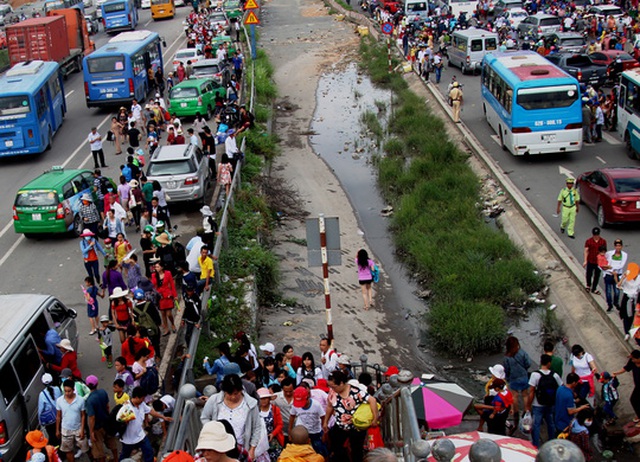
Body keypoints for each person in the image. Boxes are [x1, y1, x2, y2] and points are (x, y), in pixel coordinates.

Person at [200, 374, 263, 460]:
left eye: (236, 393)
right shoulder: (214, 400)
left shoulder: (251, 404)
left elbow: (257, 427)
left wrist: (252, 449)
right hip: (218, 447)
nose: (233, 397)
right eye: (229, 394)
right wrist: (213, 429)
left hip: (240, 447)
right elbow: (204, 417)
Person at [324, 370, 378, 462]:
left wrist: (375, 418)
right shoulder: (332, 392)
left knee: (356, 451)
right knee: (336, 447)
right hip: (340, 426)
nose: (332, 389)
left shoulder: (355, 392)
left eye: (333, 386)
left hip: (355, 428)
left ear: (341, 383)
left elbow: (372, 400)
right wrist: (325, 422)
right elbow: (330, 406)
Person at [120, 386, 172, 461]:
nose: (143, 400)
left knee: (149, 452)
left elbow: (150, 411)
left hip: (140, 435)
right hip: (129, 439)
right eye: (142, 398)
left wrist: (163, 417)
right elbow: (121, 421)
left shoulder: (141, 404)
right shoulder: (126, 407)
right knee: (124, 456)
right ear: (137, 397)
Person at [525, 355, 562, 448]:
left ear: (541, 362)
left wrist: (528, 405)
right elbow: (561, 388)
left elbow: (531, 392)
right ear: (549, 363)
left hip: (537, 404)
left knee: (536, 425)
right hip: (550, 404)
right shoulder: (555, 375)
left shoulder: (535, 375)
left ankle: (535, 446)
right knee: (550, 423)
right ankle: (552, 443)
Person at [84, 375, 119, 462]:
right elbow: (107, 407)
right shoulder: (103, 392)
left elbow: (92, 417)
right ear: (97, 383)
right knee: (111, 442)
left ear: (87, 385)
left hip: (97, 427)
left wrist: (91, 432)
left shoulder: (89, 400)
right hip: (107, 422)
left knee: (99, 449)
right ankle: (116, 459)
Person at [56, 379, 89, 461]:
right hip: (65, 430)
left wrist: (82, 430)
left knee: (86, 449)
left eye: (69, 391)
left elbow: (83, 416)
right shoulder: (59, 401)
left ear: (73, 390)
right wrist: (57, 430)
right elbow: (58, 416)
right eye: (65, 391)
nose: (67, 393)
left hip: (78, 429)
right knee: (68, 451)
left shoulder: (80, 400)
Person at [502, 336, 530, 433]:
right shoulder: (522, 353)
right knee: (525, 395)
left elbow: (506, 369)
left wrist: (508, 377)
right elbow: (528, 363)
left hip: (513, 379)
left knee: (514, 397)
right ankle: (526, 413)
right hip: (523, 376)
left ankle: (516, 419)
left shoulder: (507, 357)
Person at [289, 386, 327, 456]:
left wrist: (324, 433)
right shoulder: (294, 405)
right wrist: (290, 431)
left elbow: (323, 418)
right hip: (302, 432)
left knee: (320, 451)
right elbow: (292, 416)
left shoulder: (316, 405)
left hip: (316, 431)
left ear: (308, 397)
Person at [555, 372, 590, 437]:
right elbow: (570, 412)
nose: (577, 384)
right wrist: (582, 408)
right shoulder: (569, 395)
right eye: (577, 382)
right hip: (565, 423)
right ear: (573, 383)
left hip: (557, 419)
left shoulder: (560, 389)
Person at [612, 349, 640, 426]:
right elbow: (626, 368)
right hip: (637, 385)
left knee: (634, 399)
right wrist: (616, 373)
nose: (632, 360)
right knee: (634, 400)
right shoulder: (632, 362)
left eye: (634, 359)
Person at [256, 387, 283, 461]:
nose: (263, 401)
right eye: (261, 399)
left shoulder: (275, 409)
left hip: (272, 440)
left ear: (269, 399)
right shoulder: (255, 410)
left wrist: (273, 434)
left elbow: (280, 424)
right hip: (259, 441)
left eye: (265, 398)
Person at [151, 260, 177, 335]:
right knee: (163, 313)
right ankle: (166, 328)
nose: (156, 268)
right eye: (155, 267)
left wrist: (174, 295)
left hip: (167, 295)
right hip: (160, 296)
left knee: (169, 313)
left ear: (162, 267)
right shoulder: (154, 275)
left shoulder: (168, 273)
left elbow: (172, 285)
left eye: (158, 267)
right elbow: (153, 286)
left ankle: (172, 324)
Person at [38, 373, 62, 447]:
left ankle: (56, 452)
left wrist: (40, 422)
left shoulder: (42, 394)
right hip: (60, 416)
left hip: (50, 420)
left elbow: (40, 410)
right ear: (52, 381)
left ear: (43, 383)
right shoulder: (57, 389)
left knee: (52, 436)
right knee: (61, 433)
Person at [604, 239, 627, 312]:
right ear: (614, 246)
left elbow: (621, 265)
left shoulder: (624, 255)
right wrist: (611, 271)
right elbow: (604, 263)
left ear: (622, 246)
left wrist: (612, 268)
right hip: (608, 274)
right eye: (617, 246)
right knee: (608, 291)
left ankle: (616, 303)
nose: (618, 248)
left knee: (617, 292)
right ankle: (609, 305)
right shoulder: (609, 253)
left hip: (618, 275)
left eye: (619, 246)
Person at [583, 227, 606, 294]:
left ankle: (594, 288)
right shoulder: (589, 241)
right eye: (595, 235)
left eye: (597, 235)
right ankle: (588, 285)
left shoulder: (603, 241)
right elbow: (586, 251)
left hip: (598, 262)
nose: (596, 236)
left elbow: (604, 252)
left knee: (597, 275)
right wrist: (585, 260)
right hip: (590, 260)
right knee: (589, 274)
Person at [274, 377, 296, 442]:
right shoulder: (276, 397)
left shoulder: (298, 396)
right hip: (282, 431)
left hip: (296, 430)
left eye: (290, 391)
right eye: (286, 391)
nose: (288, 393)